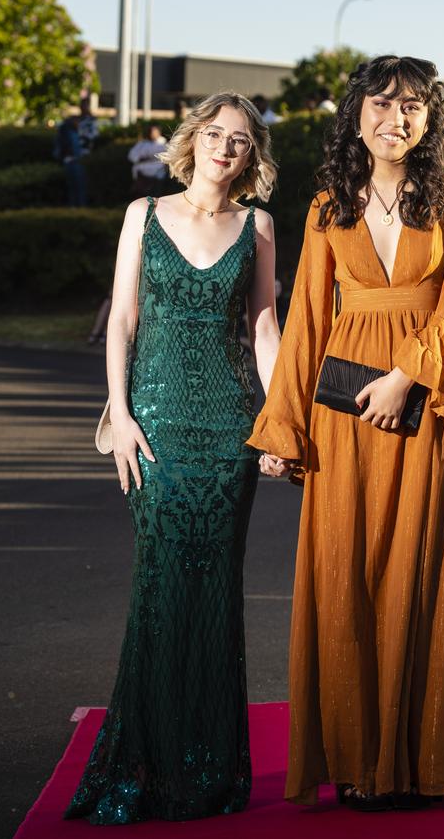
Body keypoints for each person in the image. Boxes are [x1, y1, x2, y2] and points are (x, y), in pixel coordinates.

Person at [248, 55, 444, 811]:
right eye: (382, 104)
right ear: (356, 114)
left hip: (421, 405)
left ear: (430, 120)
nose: (397, 118)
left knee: (422, 578)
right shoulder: (327, 206)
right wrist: (282, 427)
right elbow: (304, 326)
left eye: (413, 107)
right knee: (343, 579)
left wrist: (408, 375)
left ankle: (417, 764)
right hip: (342, 413)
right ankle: (356, 762)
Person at [64, 91, 280, 825]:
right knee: (159, 584)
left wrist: (278, 426)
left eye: (240, 140)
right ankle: (146, 762)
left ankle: (209, 770)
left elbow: (262, 331)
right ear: (193, 139)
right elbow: (122, 318)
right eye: (215, 133)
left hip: (228, 433)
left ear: (253, 156)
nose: (225, 146)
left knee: (216, 591)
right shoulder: (143, 215)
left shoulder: (259, 226)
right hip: (152, 427)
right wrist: (120, 415)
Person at [127, 124, 168, 197]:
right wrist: (140, 159)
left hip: (157, 172)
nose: (153, 134)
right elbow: (132, 155)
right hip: (142, 172)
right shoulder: (142, 144)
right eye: (151, 132)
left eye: (155, 132)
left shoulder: (163, 144)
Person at [55, 115, 87, 206]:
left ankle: (75, 208)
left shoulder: (66, 131)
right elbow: (75, 150)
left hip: (69, 162)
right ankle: (79, 208)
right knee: (78, 190)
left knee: (74, 190)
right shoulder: (71, 133)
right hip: (74, 162)